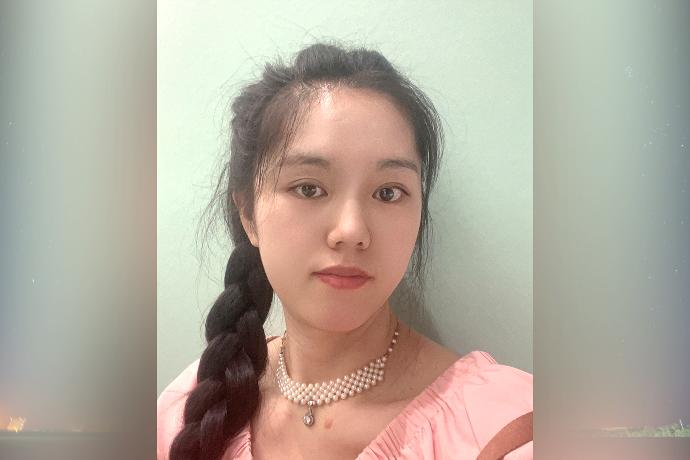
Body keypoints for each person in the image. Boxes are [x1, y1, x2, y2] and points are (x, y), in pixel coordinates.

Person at [157, 43, 533, 460]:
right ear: (248, 214)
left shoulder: (500, 429)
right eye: (309, 188)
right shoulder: (189, 409)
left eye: (388, 193)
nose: (352, 231)